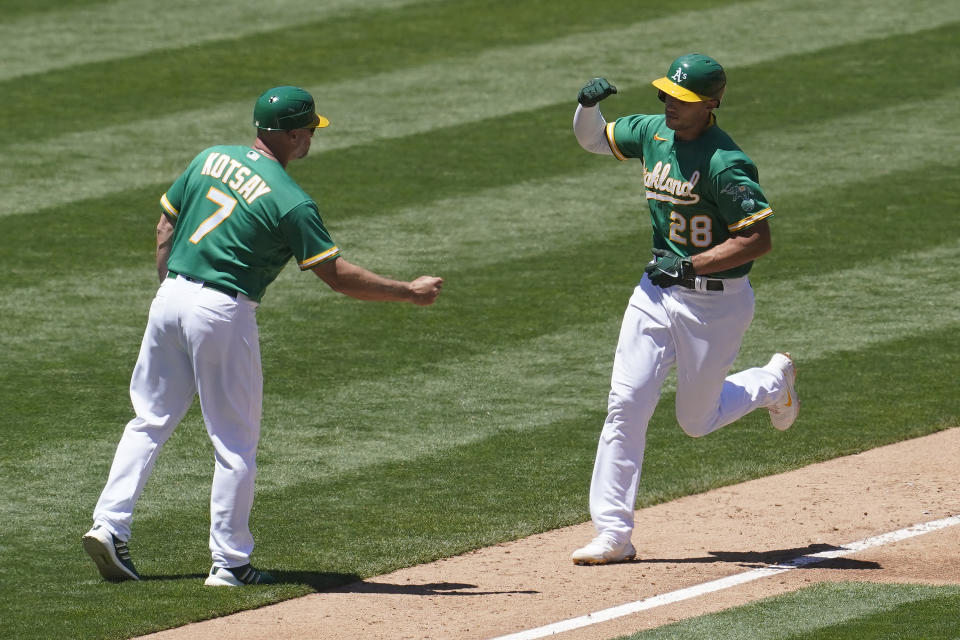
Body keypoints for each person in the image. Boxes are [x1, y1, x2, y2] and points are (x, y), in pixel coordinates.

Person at [82, 86, 443, 586]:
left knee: (149, 420)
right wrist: (408, 291)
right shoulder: (293, 203)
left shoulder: (211, 157)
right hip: (222, 311)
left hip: (171, 297)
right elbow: (336, 276)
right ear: (293, 134)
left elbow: (166, 225)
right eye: (309, 130)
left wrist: (172, 288)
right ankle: (229, 564)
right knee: (234, 442)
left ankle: (109, 525)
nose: (312, 138)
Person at [569, 54, 798, 565]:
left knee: (696, 420)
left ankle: (772, 383)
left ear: (712, 102)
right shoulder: (652, 132)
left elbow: (757, 239)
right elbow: (592, 138)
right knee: (626, 404)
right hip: (654, 293)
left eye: (686, 99)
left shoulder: (725, 163)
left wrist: (692, 266)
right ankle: (612, 534)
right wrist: (586, 107)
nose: (671, 105)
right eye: (667, 95)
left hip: (715, 307)